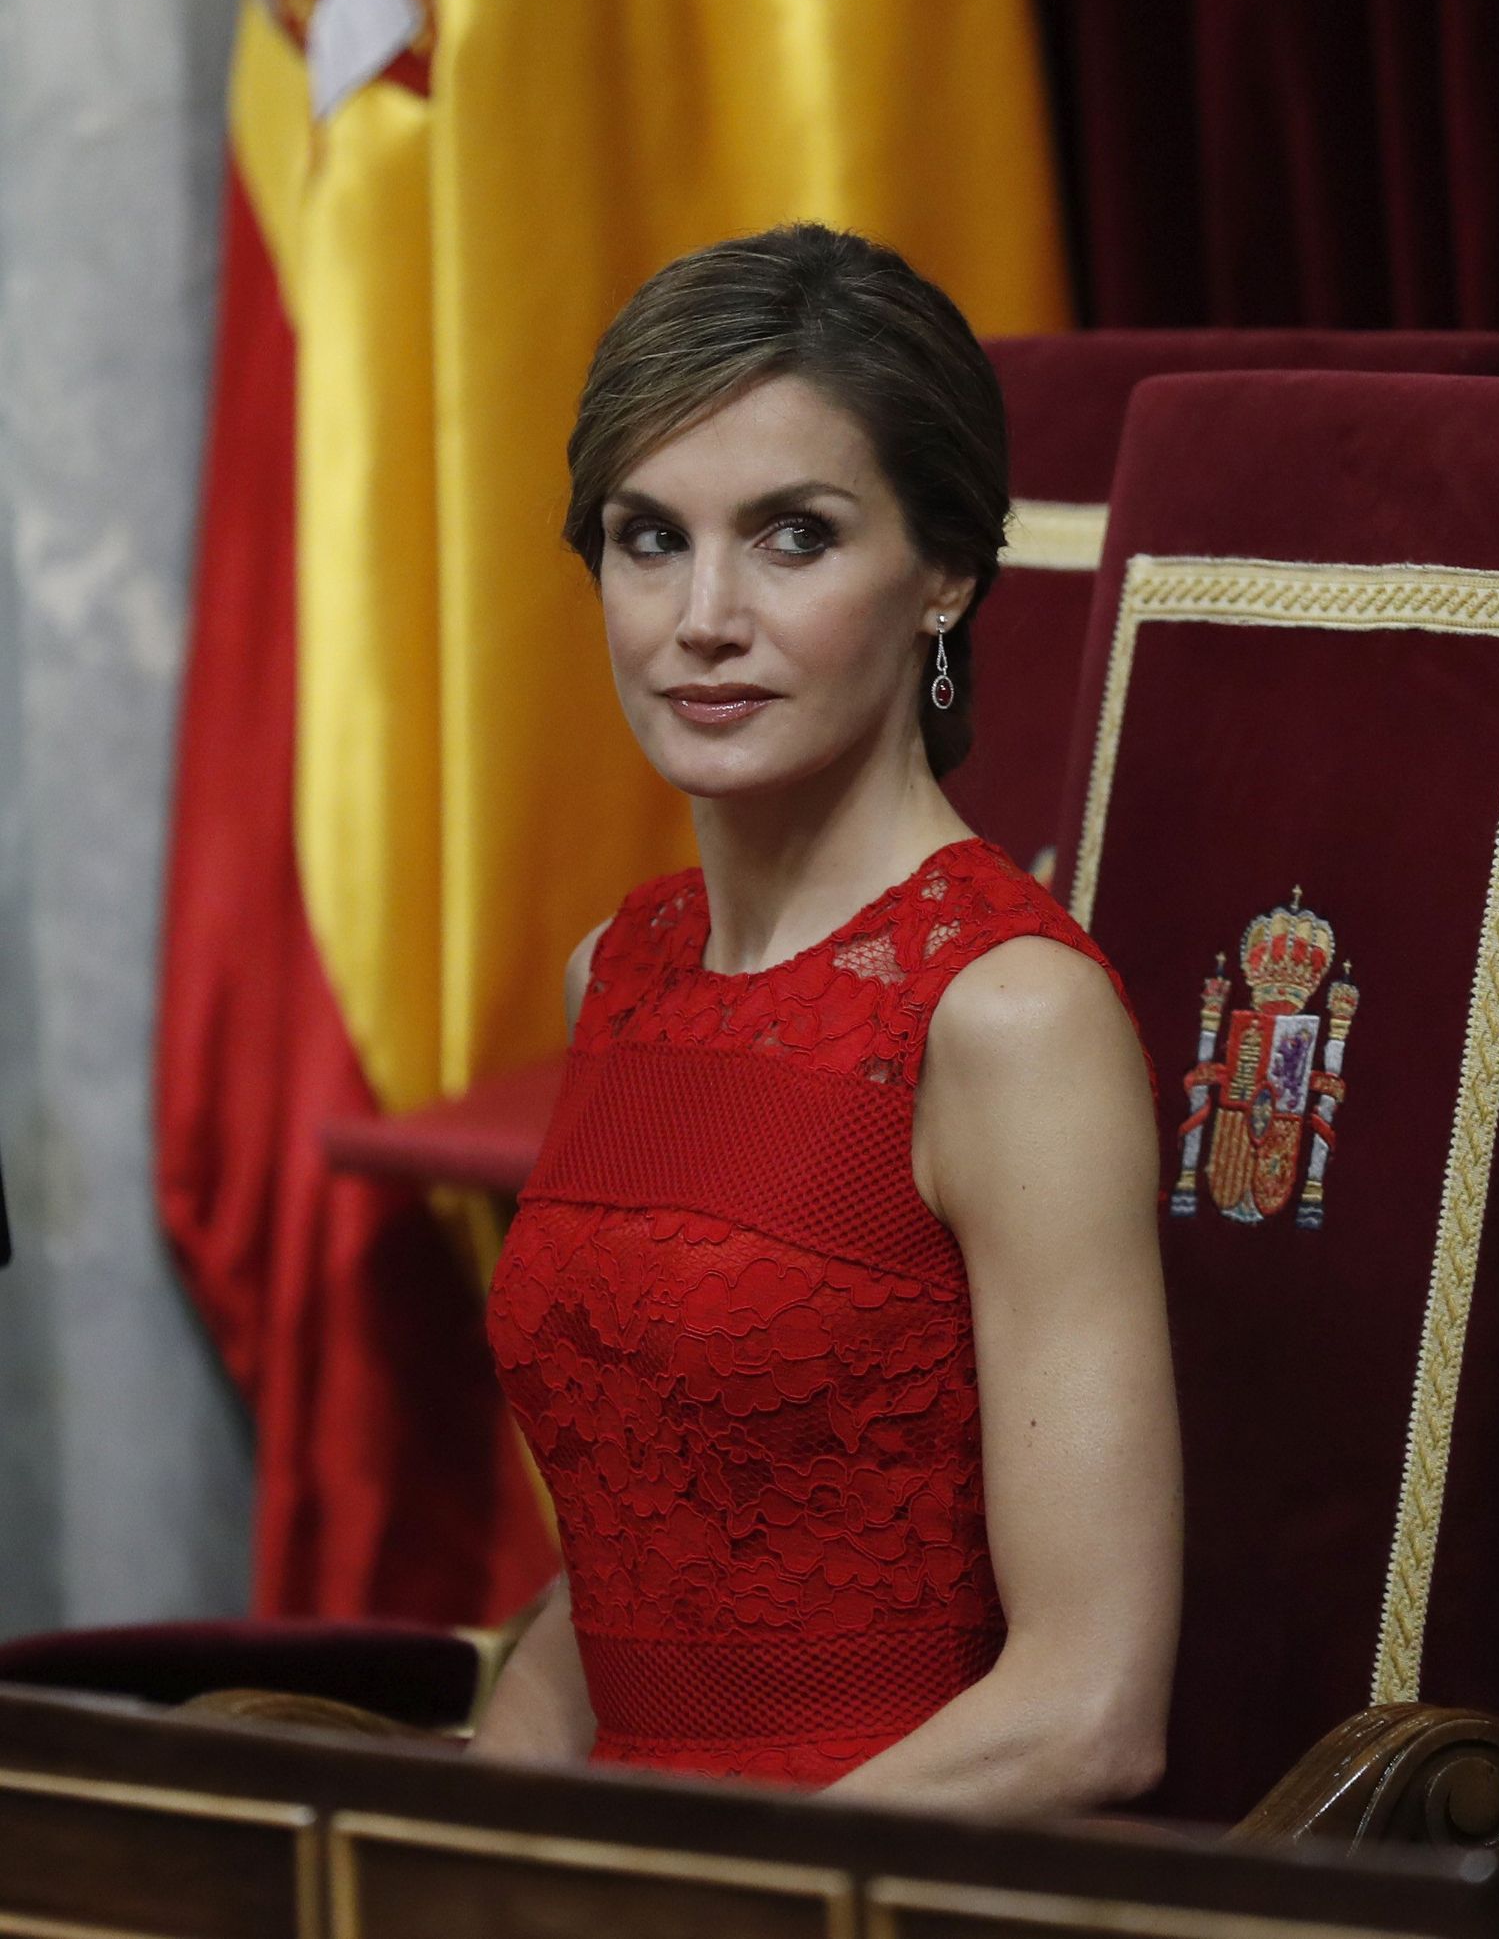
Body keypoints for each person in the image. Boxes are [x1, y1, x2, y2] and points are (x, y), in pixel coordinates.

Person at [475, 223, 1181, 1825]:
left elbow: (1088, 1711)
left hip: (879, 1884)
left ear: (945, 570)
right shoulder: (621, 970)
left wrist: (691, 1899)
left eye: (793, 536)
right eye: (647, 538)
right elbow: (617, 1582)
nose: (702, 615)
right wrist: (469, 1859)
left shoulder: (1011, 1014)